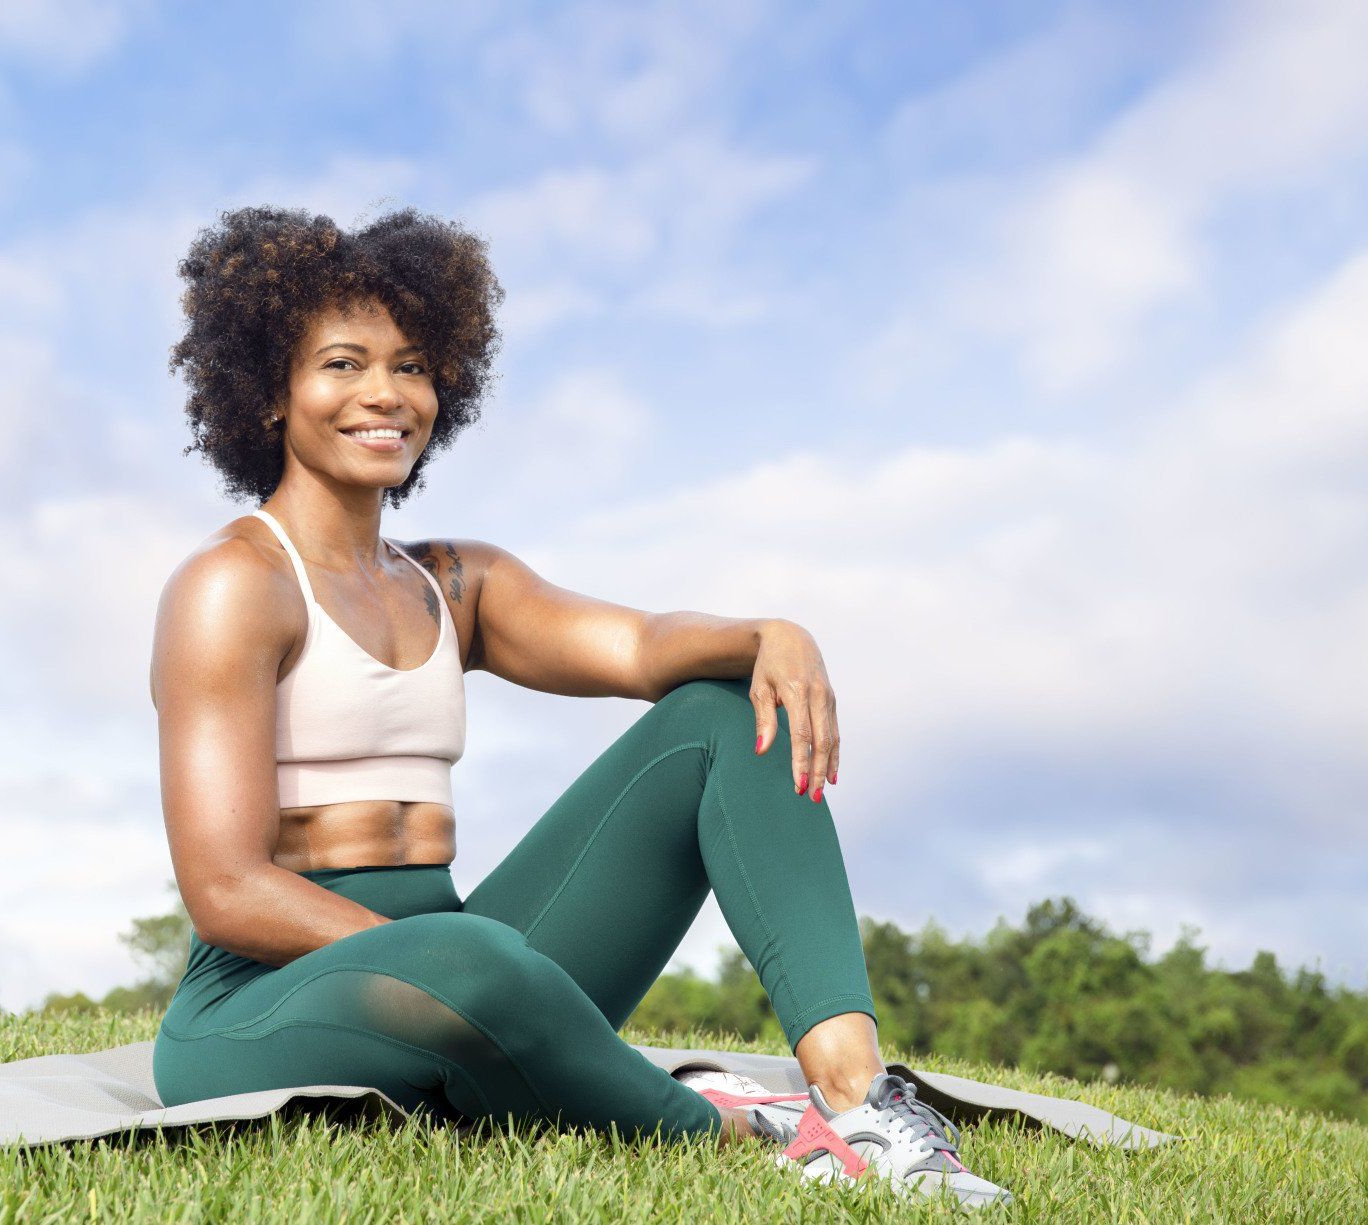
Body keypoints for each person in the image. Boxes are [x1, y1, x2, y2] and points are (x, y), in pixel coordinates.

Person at [147, 204, 1010, 1208]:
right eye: (343, 364)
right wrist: (439, 963)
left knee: (728, 713)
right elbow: (227, 890)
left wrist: (770, 633)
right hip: (259, 1001)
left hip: (472, 970)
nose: (386, 393)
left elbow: (643, 648)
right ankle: (743, 1133)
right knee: (471, 958)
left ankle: (857, 1097)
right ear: (268, 393)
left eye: (413, 364)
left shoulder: (458, 585)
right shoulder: (232, 583)